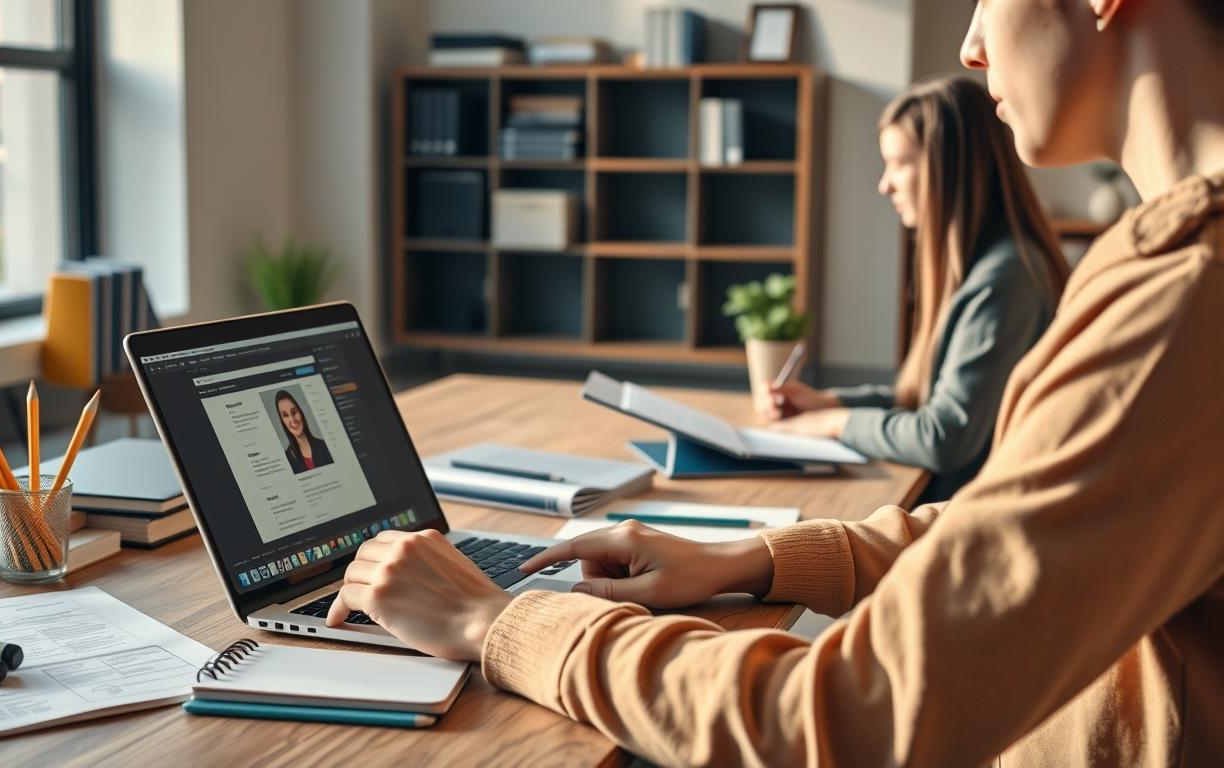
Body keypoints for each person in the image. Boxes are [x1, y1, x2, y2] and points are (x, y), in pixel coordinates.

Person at [327, 0, 1224, 763]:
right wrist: (754, 558)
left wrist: (498, 625)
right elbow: (1016, 541)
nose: (971, 43)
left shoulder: (1182, 295)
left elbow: (842, 714)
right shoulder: (1177, 274)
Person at [765, 75, 1069, 502]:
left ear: (952, 168)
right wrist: (828, 402)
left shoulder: (1006, 277)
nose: (884, 184)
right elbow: (926, 397)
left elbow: (942, 435)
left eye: (900, 162)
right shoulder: (982, 265)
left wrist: (832, 424)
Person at [274, 390, 332, 474]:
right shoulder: (286, 460)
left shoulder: (324, 446)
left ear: (301, 413)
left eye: (294, 412)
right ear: (282, 423)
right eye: (285, 415)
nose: (292, 420)